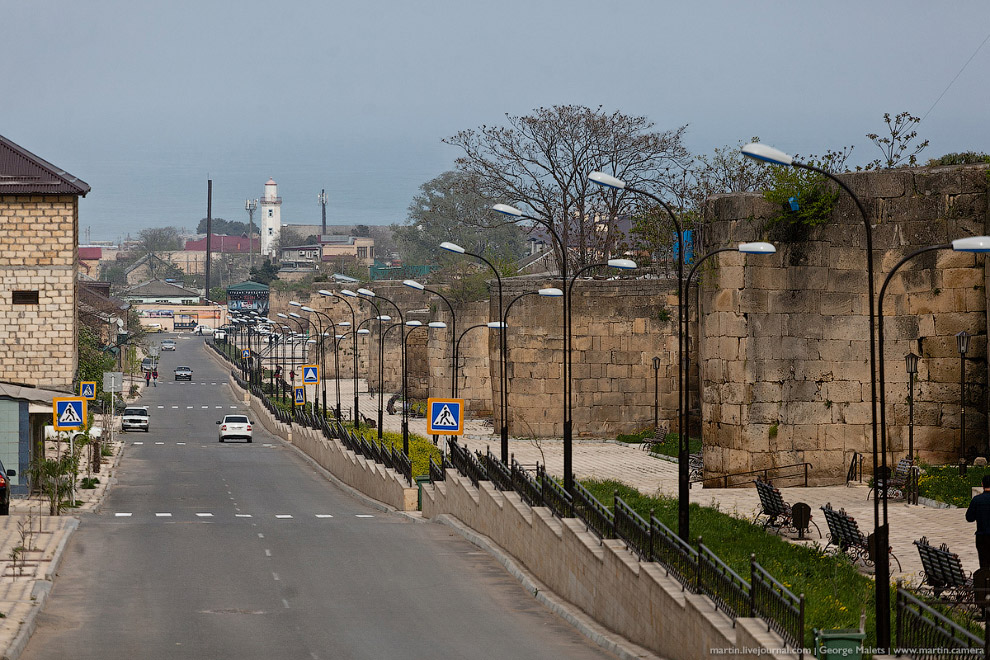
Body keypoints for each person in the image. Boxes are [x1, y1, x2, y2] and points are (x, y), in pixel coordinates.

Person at [966, 474, 990, 569]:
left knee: (984, 564)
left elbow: (969, 518)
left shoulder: (977, 500)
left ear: (982, 484)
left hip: (982, 536)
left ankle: (985, 582)